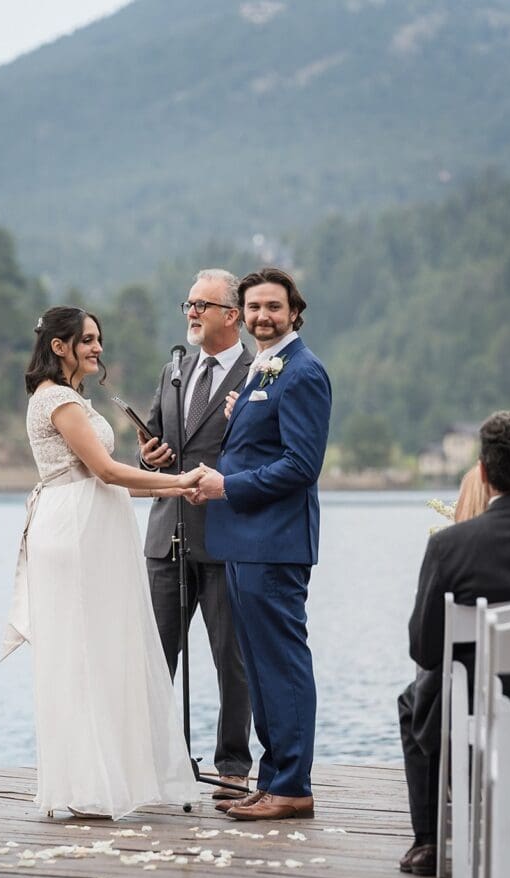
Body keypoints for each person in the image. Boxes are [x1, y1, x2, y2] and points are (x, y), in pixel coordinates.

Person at [3, 306, 201, 819]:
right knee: (84, 652)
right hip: (74, 529)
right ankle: (88, 785)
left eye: (98, 339)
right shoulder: (59, 399)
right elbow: (107, 473)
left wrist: (157, 478)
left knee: (103, 648)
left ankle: (105, 777)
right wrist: (179, 483)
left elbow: (106, 480)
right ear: (58, 346)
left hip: (89, 521)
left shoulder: (69, 398)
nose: (97, 348)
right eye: (86, 340)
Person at [194, 268, 332, 821]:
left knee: (282, 665)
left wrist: (226, 484)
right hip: (243, 543)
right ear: (241, 313)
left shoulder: (303, 372)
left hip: (274, 545)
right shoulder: (262, 372)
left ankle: (293, 785)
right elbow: (261, 442)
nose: (262, 317)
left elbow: (301, 464)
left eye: (273, 307)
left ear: (294, 311)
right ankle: (273, 780)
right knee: (259, 666)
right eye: (253, 308)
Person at [398, 410, 510, 877]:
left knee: (417, 697)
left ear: (482, 472)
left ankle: (427, 842)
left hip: (479, 712)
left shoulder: (452, 547)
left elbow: (424, 649)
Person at [139, 269, 253, 797]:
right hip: (167, 536)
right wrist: (150, 453)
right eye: (188, 304)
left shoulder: (259, 373)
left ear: (231, 315)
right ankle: (160, 760)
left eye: (201, 305)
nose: (190, 312)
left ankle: (233, 765)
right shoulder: (174, 370)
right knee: (155, 655)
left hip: (227, 537)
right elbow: (160, 439)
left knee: (232, 659)